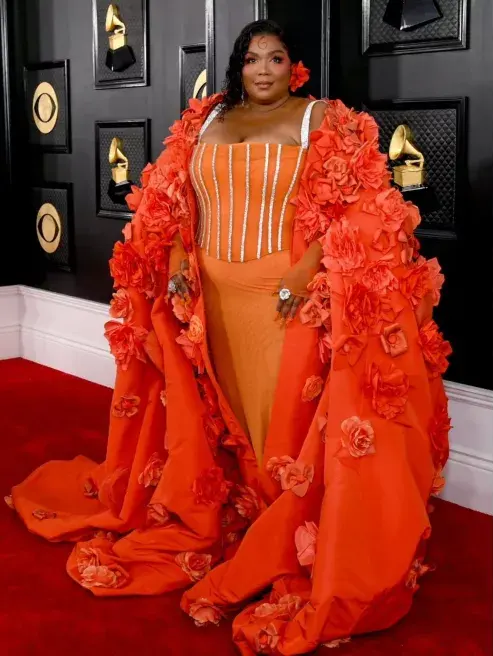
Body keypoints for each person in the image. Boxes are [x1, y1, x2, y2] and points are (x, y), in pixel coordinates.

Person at [7, 19, 452, 655]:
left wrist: (305, 273)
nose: (263, 70)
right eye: (251, 59)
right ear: (237, 67)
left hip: (287, 299)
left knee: (286, 419)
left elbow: (360, 205)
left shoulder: (322, 120)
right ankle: (254, 509)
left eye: (275, 57)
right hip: (213, 300)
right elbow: (177, 202)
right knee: (234, 412)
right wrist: (183, 260)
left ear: (294, 66)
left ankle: (289, 525)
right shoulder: (206, 122)